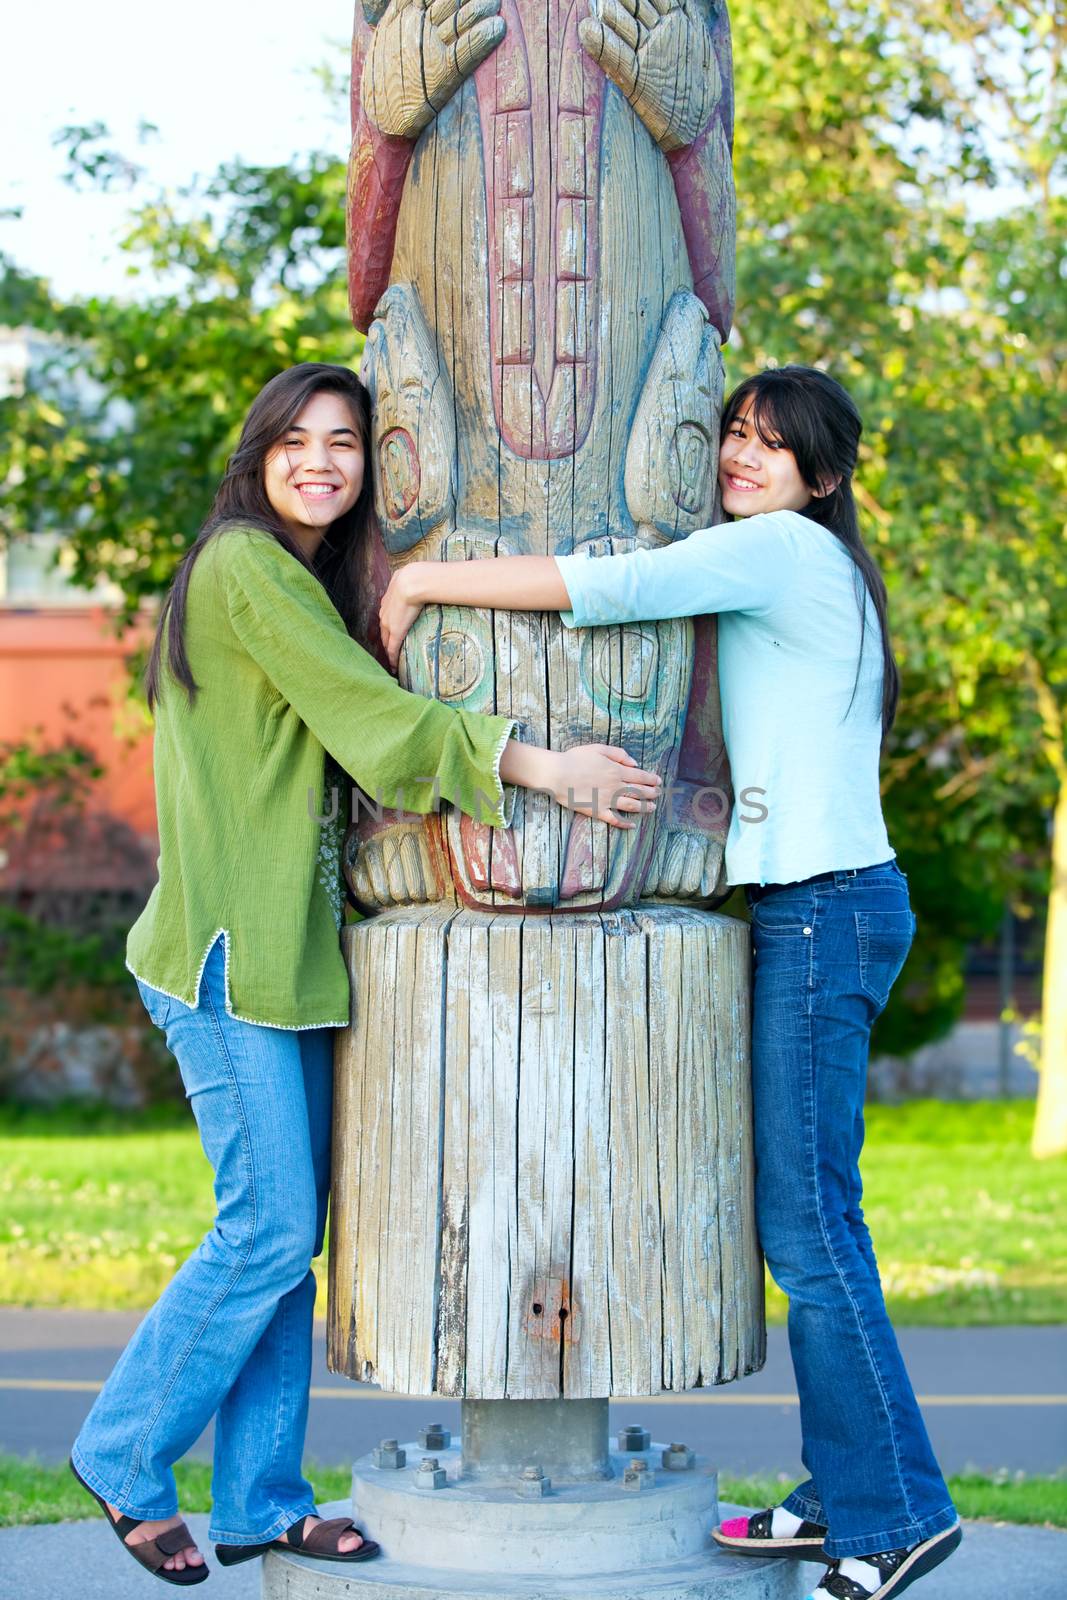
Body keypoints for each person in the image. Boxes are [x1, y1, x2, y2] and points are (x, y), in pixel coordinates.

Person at [69, 362, 661, 1587]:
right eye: (296, 440)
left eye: (344, 441)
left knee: (287, 1240)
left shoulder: (302, 580)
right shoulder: (240, 565)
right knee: (269, 1226)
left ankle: (263, 1499)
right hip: (223, 960)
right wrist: (544, 769)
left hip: (293, 960)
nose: (322, 461)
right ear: (258, 454)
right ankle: (123, 1451)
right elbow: (373, 726)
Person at [378, 365, 962, 1600]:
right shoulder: (803, 570)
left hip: (820, 917)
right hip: (823, 907)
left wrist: (420, 575)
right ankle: (855, 1489)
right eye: (735, 437)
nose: (742, 458)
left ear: (824, 475)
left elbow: (607, 589)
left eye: (772, 444)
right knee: (815, 1224)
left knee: (810, 1235)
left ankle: (893, 1514)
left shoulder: (781, 553)